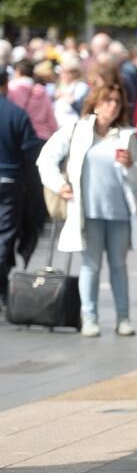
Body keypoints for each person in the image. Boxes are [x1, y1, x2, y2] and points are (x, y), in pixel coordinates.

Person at [37, 83, 137, 337]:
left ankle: (123, 318)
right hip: (87, 212)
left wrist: (131, 165)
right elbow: (46, 158)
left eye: (117, 101)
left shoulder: (125, 136)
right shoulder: (76, 130)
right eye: (107, 100)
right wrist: (59, 185)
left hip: (119, 212)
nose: (112, 105)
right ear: (95, 103)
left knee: (119, 265)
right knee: (90, 266)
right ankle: (89, 317)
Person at [0, 68, 44, 314]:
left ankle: (3, 291)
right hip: (10, 182)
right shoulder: (17, 114)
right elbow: (30, 155)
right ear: (6, 84)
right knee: (4, 237)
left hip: (11, 180)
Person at [7, 59, 57, 140]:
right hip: (41, 136)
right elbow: (50, 118)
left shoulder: (10, 89)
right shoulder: (42, 91)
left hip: (19, 136)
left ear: (18, 71)